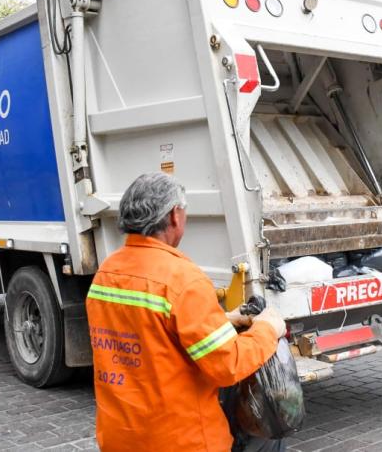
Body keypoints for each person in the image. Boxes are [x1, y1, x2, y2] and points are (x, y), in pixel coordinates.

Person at [86, 172, 286, 451]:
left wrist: (224, 319)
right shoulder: (183, 280)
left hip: (120, 437)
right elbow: (228, 366)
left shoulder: (106, 273)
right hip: (181, 441)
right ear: (175, 216)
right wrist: (268, 328)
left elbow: (146, 331)